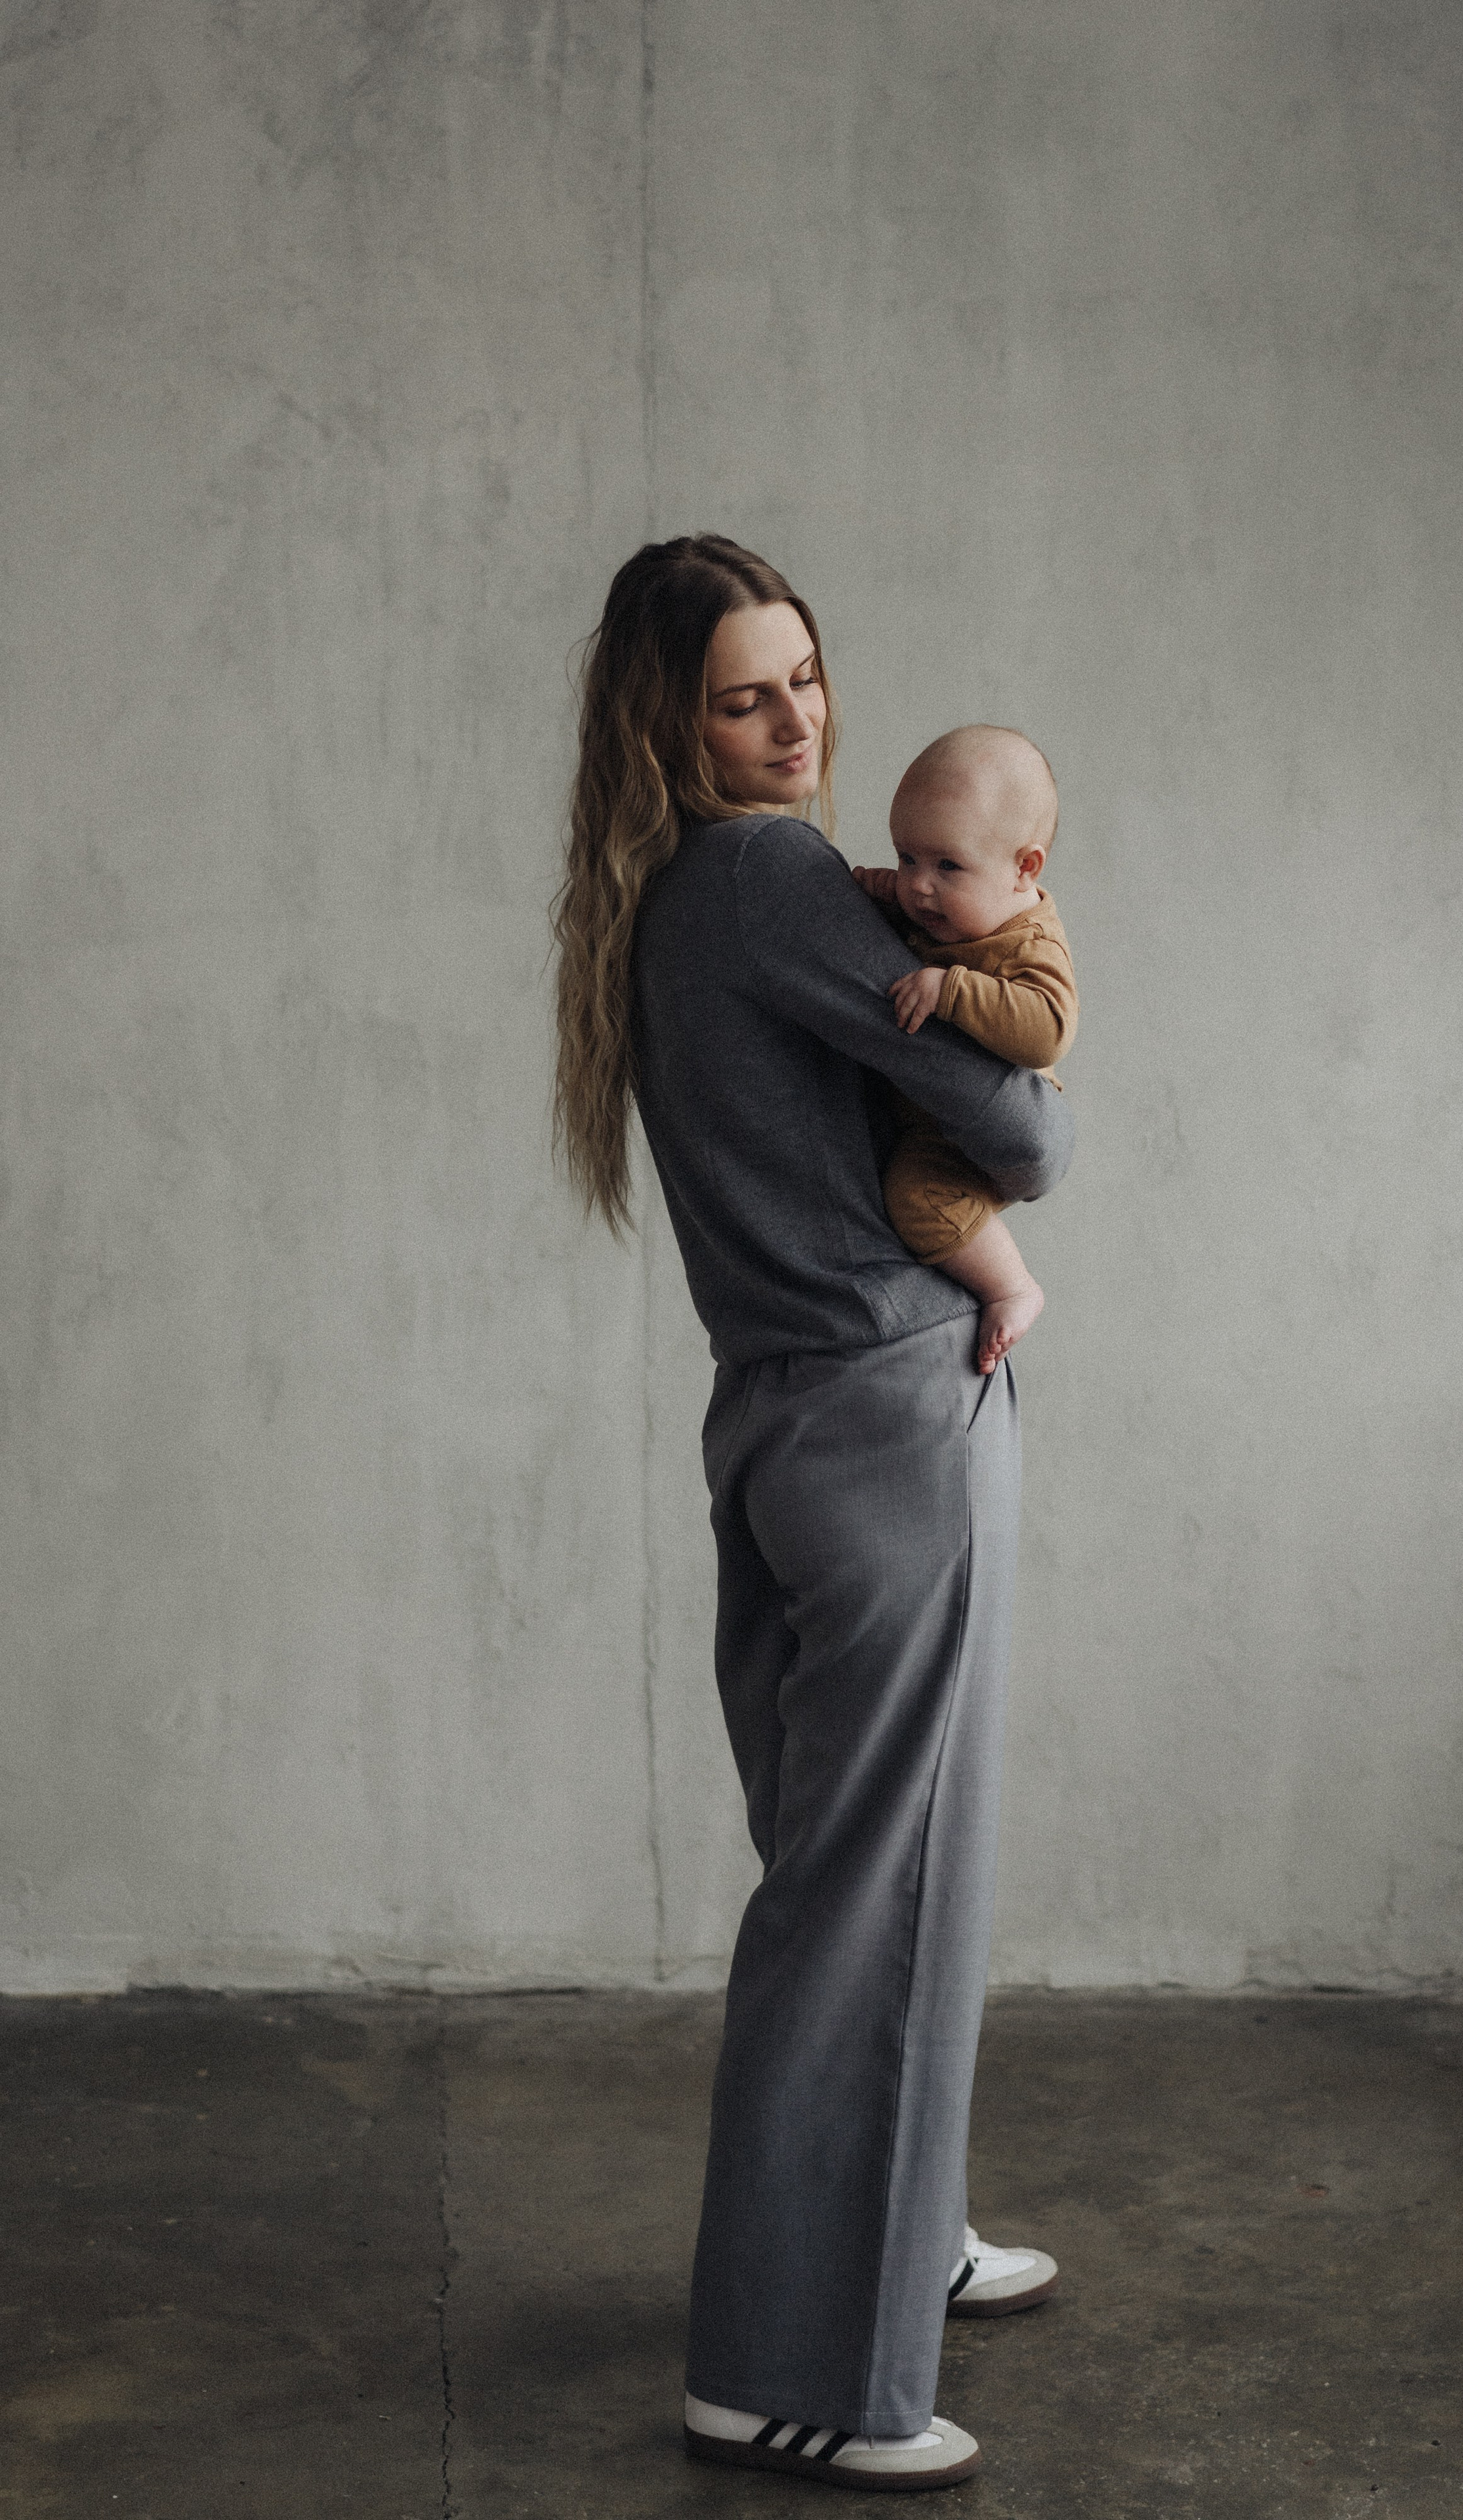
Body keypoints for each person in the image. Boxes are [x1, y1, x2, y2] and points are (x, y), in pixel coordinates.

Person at [551, 534, 1074, 2492]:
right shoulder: (771, 877)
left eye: (804, 676)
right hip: (884, 1412)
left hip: (775, 1418)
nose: (794, 722)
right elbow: (1020, 1127)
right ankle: (789, 2372)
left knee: (853, 1871)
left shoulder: (668, 897)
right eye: (742, 696)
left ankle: (890, 2230)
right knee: (879, 1887)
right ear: (668, 726)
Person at [853, 724, 1077, 1376]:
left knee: (916, 1197)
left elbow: (1047, 1029)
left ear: (1024, 868)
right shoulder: (939, 902)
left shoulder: (1028, 943)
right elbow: (894, 895)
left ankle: (1012, 1287)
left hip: (970, 1136)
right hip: (923, 1106)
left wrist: (954, 989)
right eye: (907, 858)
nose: (919, 886)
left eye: (947, 866)